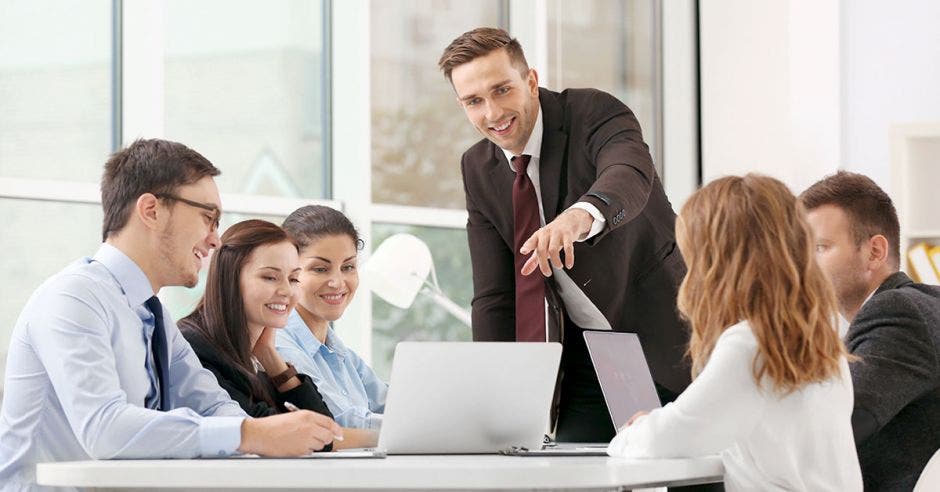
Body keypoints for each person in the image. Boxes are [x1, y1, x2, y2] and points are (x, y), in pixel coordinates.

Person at [0, 139, 341, 491]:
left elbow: (213, 405)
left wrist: (262, 436)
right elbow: (103, 428)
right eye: (208, 218)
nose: (215, 240)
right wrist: (250, 433)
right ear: (150, 210)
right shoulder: (74, 298)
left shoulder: (153, 316)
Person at [438, 27, 689, 441]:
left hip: (668, 331)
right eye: (474, 101)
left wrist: (579, 216)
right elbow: (496, 295)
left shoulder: (592, 112)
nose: (492, 113)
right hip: (587, 356)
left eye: (502, 90)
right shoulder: (478, 168)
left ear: (531, 81)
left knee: (698, 472)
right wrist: (493, 395)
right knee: (570, 474)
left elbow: (628, 173)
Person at [607, 174, 863, 491]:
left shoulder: (751, 343)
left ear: (718, 261)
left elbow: (667, 438)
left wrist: (634, 430)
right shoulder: (819, 342)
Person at [178, 219, 376, 449]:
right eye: (270, 277)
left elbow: (323, 426)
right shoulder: (195, 347)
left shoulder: (257, 353)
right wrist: (383, 439)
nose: (286, 291)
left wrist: (272, 360)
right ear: (230, 279)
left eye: (293, 279)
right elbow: (283, 433)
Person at [801, 171, 940, 491]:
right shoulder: (919, 305)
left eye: (820, 248)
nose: (804, 266)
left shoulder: (898, 313)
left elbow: (837, 424)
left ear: (875, 252)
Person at [276, 205, 387, 430]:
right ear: (288, 272)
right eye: (320, 269)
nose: (338, 282)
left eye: (348, 267)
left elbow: (391, 403)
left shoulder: (340, 353)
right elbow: (337, 420)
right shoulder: (279, 344)